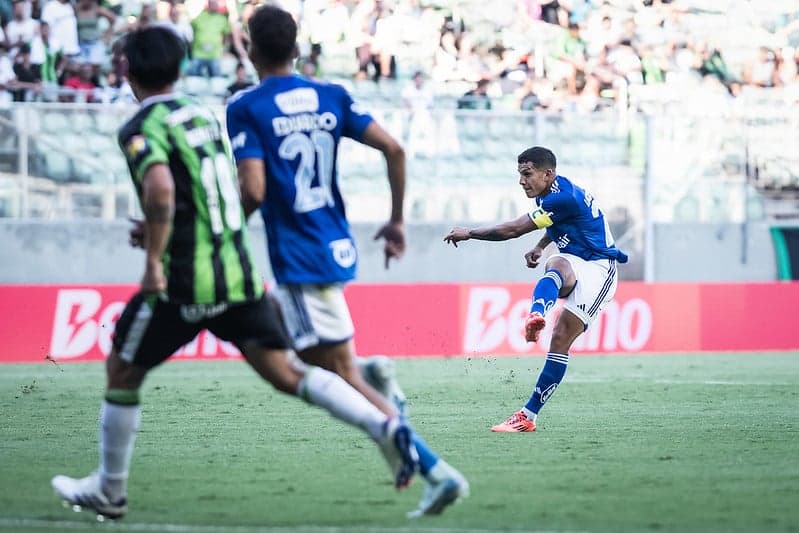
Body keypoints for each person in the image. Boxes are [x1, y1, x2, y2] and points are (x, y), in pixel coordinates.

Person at [50, 25, 422, 521]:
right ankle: (383, 426)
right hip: (239, 273)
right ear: (181, 69)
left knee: (122, 368)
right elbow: (224, 188)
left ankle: (110, 490)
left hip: (183, 280)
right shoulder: (201, 115)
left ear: (128, 72)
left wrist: (154, 258)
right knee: (288, 373)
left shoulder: (142, 125)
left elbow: (161, 191)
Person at [225, 5, 468, 517]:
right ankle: (372, 371)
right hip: (334, 241)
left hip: (298, 253)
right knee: (316, 361)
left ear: (250, 49)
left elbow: (253, 188)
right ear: (297, 48)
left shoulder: (246, 106)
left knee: (331, 373)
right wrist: (397, 220)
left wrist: (224, 227)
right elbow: (395, 149)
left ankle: (437, 471)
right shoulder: (331, 96)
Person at [444, 146, 628, 432]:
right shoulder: (555, 189)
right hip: (575, 259)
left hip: (599, 269)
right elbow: (554, 221)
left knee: (560, 338)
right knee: (555, 264)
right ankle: (535, 315)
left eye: (527, 174)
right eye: (520, 174)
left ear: (547, 173)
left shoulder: (563, 197)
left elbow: (514, 229)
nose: (521, 181)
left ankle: (527, 416)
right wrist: (541, 246)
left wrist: (469, 233)